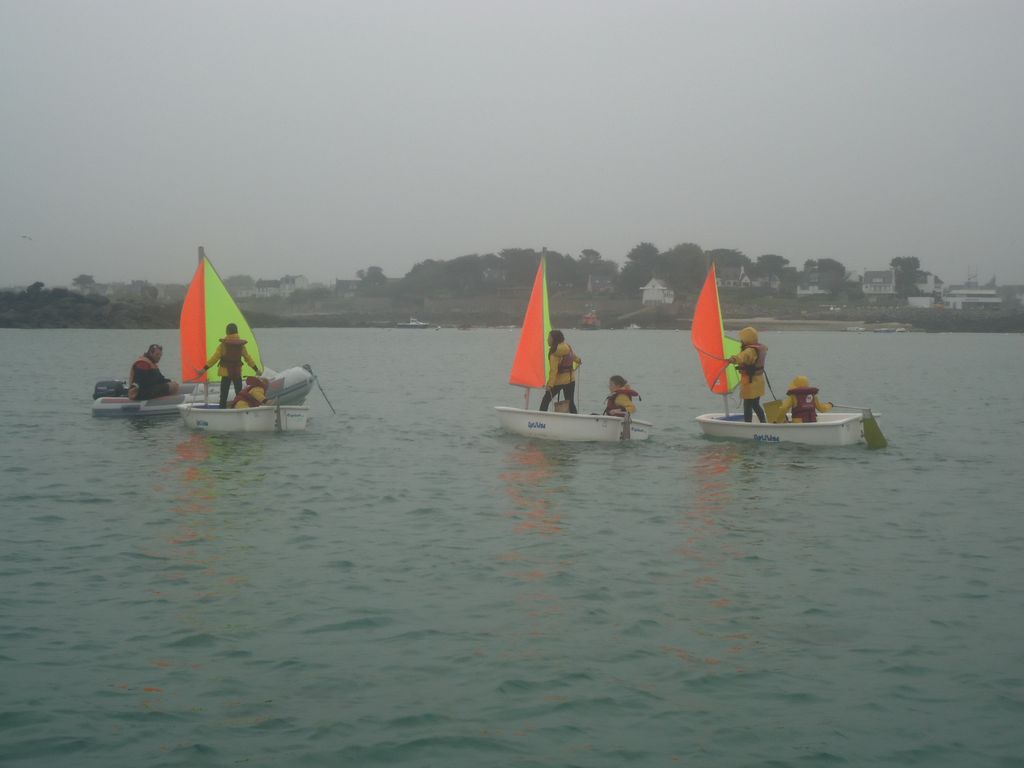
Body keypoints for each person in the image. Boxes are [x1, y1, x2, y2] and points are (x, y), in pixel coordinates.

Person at [198, 323, 262, 408]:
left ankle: (222, 409)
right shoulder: (241, 345)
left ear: (227, 332)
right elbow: (248, 358)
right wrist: (256, 369)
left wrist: (204, 369)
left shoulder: (223, 345)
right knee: (239, 393)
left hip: (225, 372)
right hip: (237, 371)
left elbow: (214, 358)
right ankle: (240, 408)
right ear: (237, 332)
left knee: (224, 394)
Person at [728, 326, 767, 423]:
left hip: (751, 383)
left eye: (742, 338)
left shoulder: (750, 351)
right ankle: (763, 421)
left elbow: (742, 356)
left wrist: (733, 359)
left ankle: (747, 424)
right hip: (759, 381)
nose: (741, 340)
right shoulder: (758, 348)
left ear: (747, 339)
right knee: (755, 404)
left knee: (748, 405)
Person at [539, 330, 580, 413]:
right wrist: (578, 361)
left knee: (546, 400)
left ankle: (541, 417)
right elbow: (575, 358)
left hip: (559, 381)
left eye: (549, 338)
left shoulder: (554, 353)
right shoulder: (567, 346)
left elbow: (553, 371)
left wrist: (550, 385)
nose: (547, 340)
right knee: (570, 402)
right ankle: (576, 417)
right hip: (570, 379)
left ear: (554, 339)